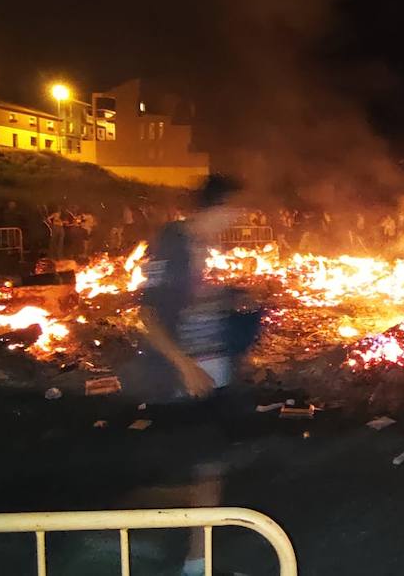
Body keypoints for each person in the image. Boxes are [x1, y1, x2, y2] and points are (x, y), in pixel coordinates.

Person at [134, 174, 260, 574]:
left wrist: (233, 299)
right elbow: (148, 312)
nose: (239, 217)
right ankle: (183, 557)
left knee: (208, 474)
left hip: (211, 377)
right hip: (184, 381)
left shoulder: (202, 247)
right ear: (217, 207)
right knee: (203, 474)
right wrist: (185, 366)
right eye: (235, 209)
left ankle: (192, 560)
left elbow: (193, 302)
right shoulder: (173, 241)